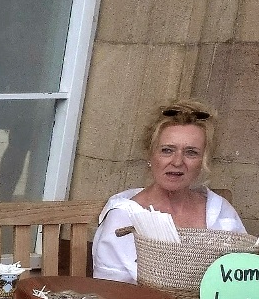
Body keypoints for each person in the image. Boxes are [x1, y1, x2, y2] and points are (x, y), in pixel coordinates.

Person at [92, 100, 247, 282]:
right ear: (150, 155)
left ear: (202, 161)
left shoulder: (220, 212)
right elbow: (112, 295)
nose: (177, 161)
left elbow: (243, 278)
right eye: (167, 150)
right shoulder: (123, 216)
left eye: (191, 152)